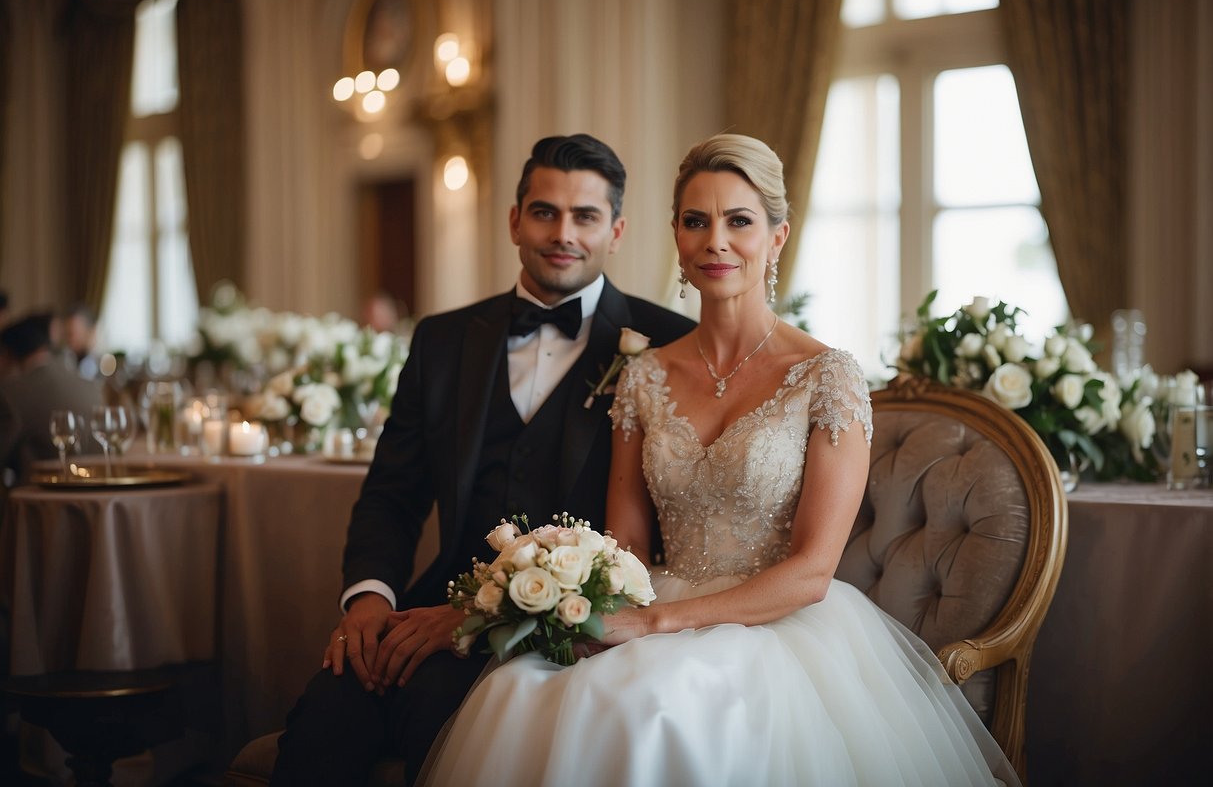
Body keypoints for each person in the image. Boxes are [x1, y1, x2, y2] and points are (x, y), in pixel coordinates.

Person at [418, 135, 1021, 786]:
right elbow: (625, 546)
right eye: (696, 221)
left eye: (738, 221)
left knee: (659, 711)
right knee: (521, 689)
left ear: (777, 236)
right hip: (655, 596)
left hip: (777, 623)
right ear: (674, 235)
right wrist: (593, 605)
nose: (715, 241)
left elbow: (813, 571)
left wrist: (655, 622)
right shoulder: (643, 375)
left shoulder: (827, 375)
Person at [270, 134, 695, 785]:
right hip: (426, 607)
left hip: (569, 634)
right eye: (544, 211)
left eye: (584, 216)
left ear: (615, 229)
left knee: (437, 730)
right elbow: (392, 493)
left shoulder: (666, 344)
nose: (563, 233)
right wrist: (367, 601)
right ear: (513, 220)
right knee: (320, 724)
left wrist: (484, 617)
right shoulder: (441, 340)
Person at [0, 313, 105, 485]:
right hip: (100, 498)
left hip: (41, 504)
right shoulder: (91, 385)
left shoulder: (10, 394)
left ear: (9, 356)